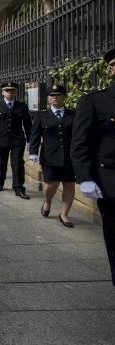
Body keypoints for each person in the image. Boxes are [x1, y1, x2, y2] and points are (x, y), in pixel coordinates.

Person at [72, 48, 115, 286]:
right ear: (111, 69)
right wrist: (85, 177)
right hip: (110, 181)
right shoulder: (95, 101)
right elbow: (80, 143)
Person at [30, 85, 76, 227]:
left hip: (70, 157)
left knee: (69, 185)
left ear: (64, 97)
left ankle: (64, 214)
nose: (55, 97)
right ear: (48, 98)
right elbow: (35, 136)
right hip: (50, 156)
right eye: (52, 95)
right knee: (52, 184)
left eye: (59, 94)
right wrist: (33, 152)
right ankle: (48, 201)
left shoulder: (73, 114)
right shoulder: (42, 115)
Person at [0, 82, 32, 199]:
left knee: (17, 163)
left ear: (16, 92)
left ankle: (18, 187)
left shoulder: (22, 106)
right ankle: (0, 182)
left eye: (12, 90)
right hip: (1, 139)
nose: (10, 92)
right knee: (1, 162)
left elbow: (27, 124)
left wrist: (30, 140)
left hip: (17, 139)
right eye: (7, 90)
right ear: (3, 92)